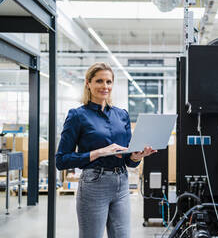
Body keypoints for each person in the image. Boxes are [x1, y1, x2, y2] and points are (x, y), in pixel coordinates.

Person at [56, 62, 157, 238]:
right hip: (94, 183)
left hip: (121, 182)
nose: (105, 86)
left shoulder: (122, 115)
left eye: (109, 82)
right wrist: (99, 152)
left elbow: (128, 161)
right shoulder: (77, 115)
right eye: (99, 81)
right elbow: (61, 160)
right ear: (88, 83)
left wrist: (137, 156)